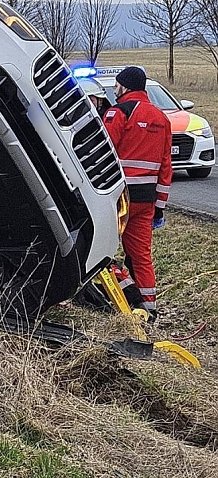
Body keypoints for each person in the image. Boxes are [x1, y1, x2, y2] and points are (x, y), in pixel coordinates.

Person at [102, 66, 172, 320]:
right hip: (146, 200)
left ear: (124, 86)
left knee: (102, 251)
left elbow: (103, 154)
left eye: (117, 85)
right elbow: (166, 166)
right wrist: (160, 206)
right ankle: (148, 307)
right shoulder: (161, 118)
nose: (114, 89)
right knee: (141, 254)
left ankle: (112, 297)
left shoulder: (118, 113)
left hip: (118, 197)